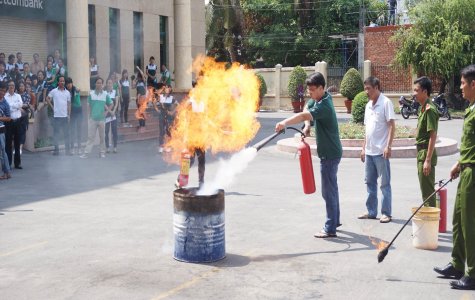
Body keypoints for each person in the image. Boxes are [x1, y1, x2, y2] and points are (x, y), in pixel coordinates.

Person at [276, 72, 342, 238]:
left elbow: (304, 114)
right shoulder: (322, 98)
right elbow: (307, 107)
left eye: (312, 90)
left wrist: (284, 122)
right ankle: (335, 220)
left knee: (328, 192)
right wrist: (307, 126)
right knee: (332, 190)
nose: (310, 93)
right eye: (309, 90)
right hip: (331, 152)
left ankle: (330, 228)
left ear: (321, 88)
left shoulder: (324, 106)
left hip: (329, 154)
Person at [433, 65, 475, 290]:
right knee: (458, 221)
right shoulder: (471, 109)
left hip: (474, 173)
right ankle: (458, 264)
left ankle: (472, 274)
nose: (460, 88)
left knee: (470, 225)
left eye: (462, 83)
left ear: (473, 84)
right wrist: (459, 163)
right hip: (466, 170)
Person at [358, 77, 396, 223]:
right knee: (370, 183)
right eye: (365, 88)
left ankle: (386, 213)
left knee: (385, 183)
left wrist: (388, 146)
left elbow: (392, 125)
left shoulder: (385, 103)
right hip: (369, 152)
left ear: (377, 87)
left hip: (381, 152)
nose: (366, 91)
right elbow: (367, 129)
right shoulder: (368, 105)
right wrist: (363, 148)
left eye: (368, 88)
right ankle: (371, 211)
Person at [414, 76, 438, 207]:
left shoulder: (430, 110)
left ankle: (431, 225)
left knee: (428, 193)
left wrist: (428, 160)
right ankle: (430, 223)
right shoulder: (422, 108)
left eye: (416, 90)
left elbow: (433, 136)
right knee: (425, 191)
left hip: (425, 154)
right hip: (421, 153)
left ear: (424, 91)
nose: (414, 93)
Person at [80, 77, 112, 158]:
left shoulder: (105, 94)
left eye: (100, 83)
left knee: (102, 137)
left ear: (102, 84)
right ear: (95, 84)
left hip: (102, 119)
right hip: (93, 119)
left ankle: (102, 152)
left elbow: (111, 104)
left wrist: (106, 112)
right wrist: (89, 116)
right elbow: (88, 105)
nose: (99, 84)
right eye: (97, 83)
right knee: (90, 137)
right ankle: (86, 153)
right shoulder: (91, 94)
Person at [46, 75, 71, 156]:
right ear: (58, 82)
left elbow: (69, 104)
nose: (62, 82)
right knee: (56, 134)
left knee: (66, 134)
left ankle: (68, 151)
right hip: (57, 116)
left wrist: (69, 114)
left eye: (63, 81)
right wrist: (52, 107)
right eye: (60, 81)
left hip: (64, 116)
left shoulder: (67, 93)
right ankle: (56, 151)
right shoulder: (54, 91)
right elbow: (47, 98)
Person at [4, 80, 23, 169]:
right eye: (10, 85)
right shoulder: (5, 97)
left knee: (17, 143)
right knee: (8, 143)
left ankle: (17, 163)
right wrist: (14, 106)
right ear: (8, 87)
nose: (11, 87)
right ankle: (9, 163)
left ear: (15, 87)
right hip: (9, 122)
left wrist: (11, 106)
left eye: (13, 85)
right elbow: (6, 107)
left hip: (17, 121)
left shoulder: (18, 95)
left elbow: (20, 104)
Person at [154, 85, 176, 153]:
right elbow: (154, 102)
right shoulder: (161, 96)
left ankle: (169, 146)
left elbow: (177, 105)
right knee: (161, 132)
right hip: (162, 115)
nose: (166, 88)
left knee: (168, 132)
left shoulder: (172, 98)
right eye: (166, 87)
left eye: (168, 87)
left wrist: (172, 112)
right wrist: (157, 109)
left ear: (170, 89)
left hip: (169, 117)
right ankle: (161, 146)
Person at [66, 77, 82, 154]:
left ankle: (79, 148)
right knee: (72, 130)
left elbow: (79, 89)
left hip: (78, 110)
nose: (68, 85)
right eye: (67, 83)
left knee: (79, 129)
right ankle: (72, 148)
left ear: (72, 83)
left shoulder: (75, 89)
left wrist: (78, 90)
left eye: (70, 83)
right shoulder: (66, 92)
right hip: (71, 111)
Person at [0, 81, 12, 179]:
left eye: (4, 91)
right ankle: (6, 172)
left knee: (2, 152)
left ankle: (6, 172)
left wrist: (0, 118)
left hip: (1, 130)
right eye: (1, 91)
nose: (2, 93)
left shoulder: (5, 103)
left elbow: (8, 118)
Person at [105, 78, 119, 153]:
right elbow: (104, 103)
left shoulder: (115, 92)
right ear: (106, 84)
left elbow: (116, 103)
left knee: (114, 131)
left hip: (114, 114)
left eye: (110, 83)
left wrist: (113, 111)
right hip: (107, 114)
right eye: (108, 83)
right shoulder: (104, 93)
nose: (109, 84)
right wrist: (109, 111)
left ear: (112, 84)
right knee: (106, 131)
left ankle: (115, 147)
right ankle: (107, 147)